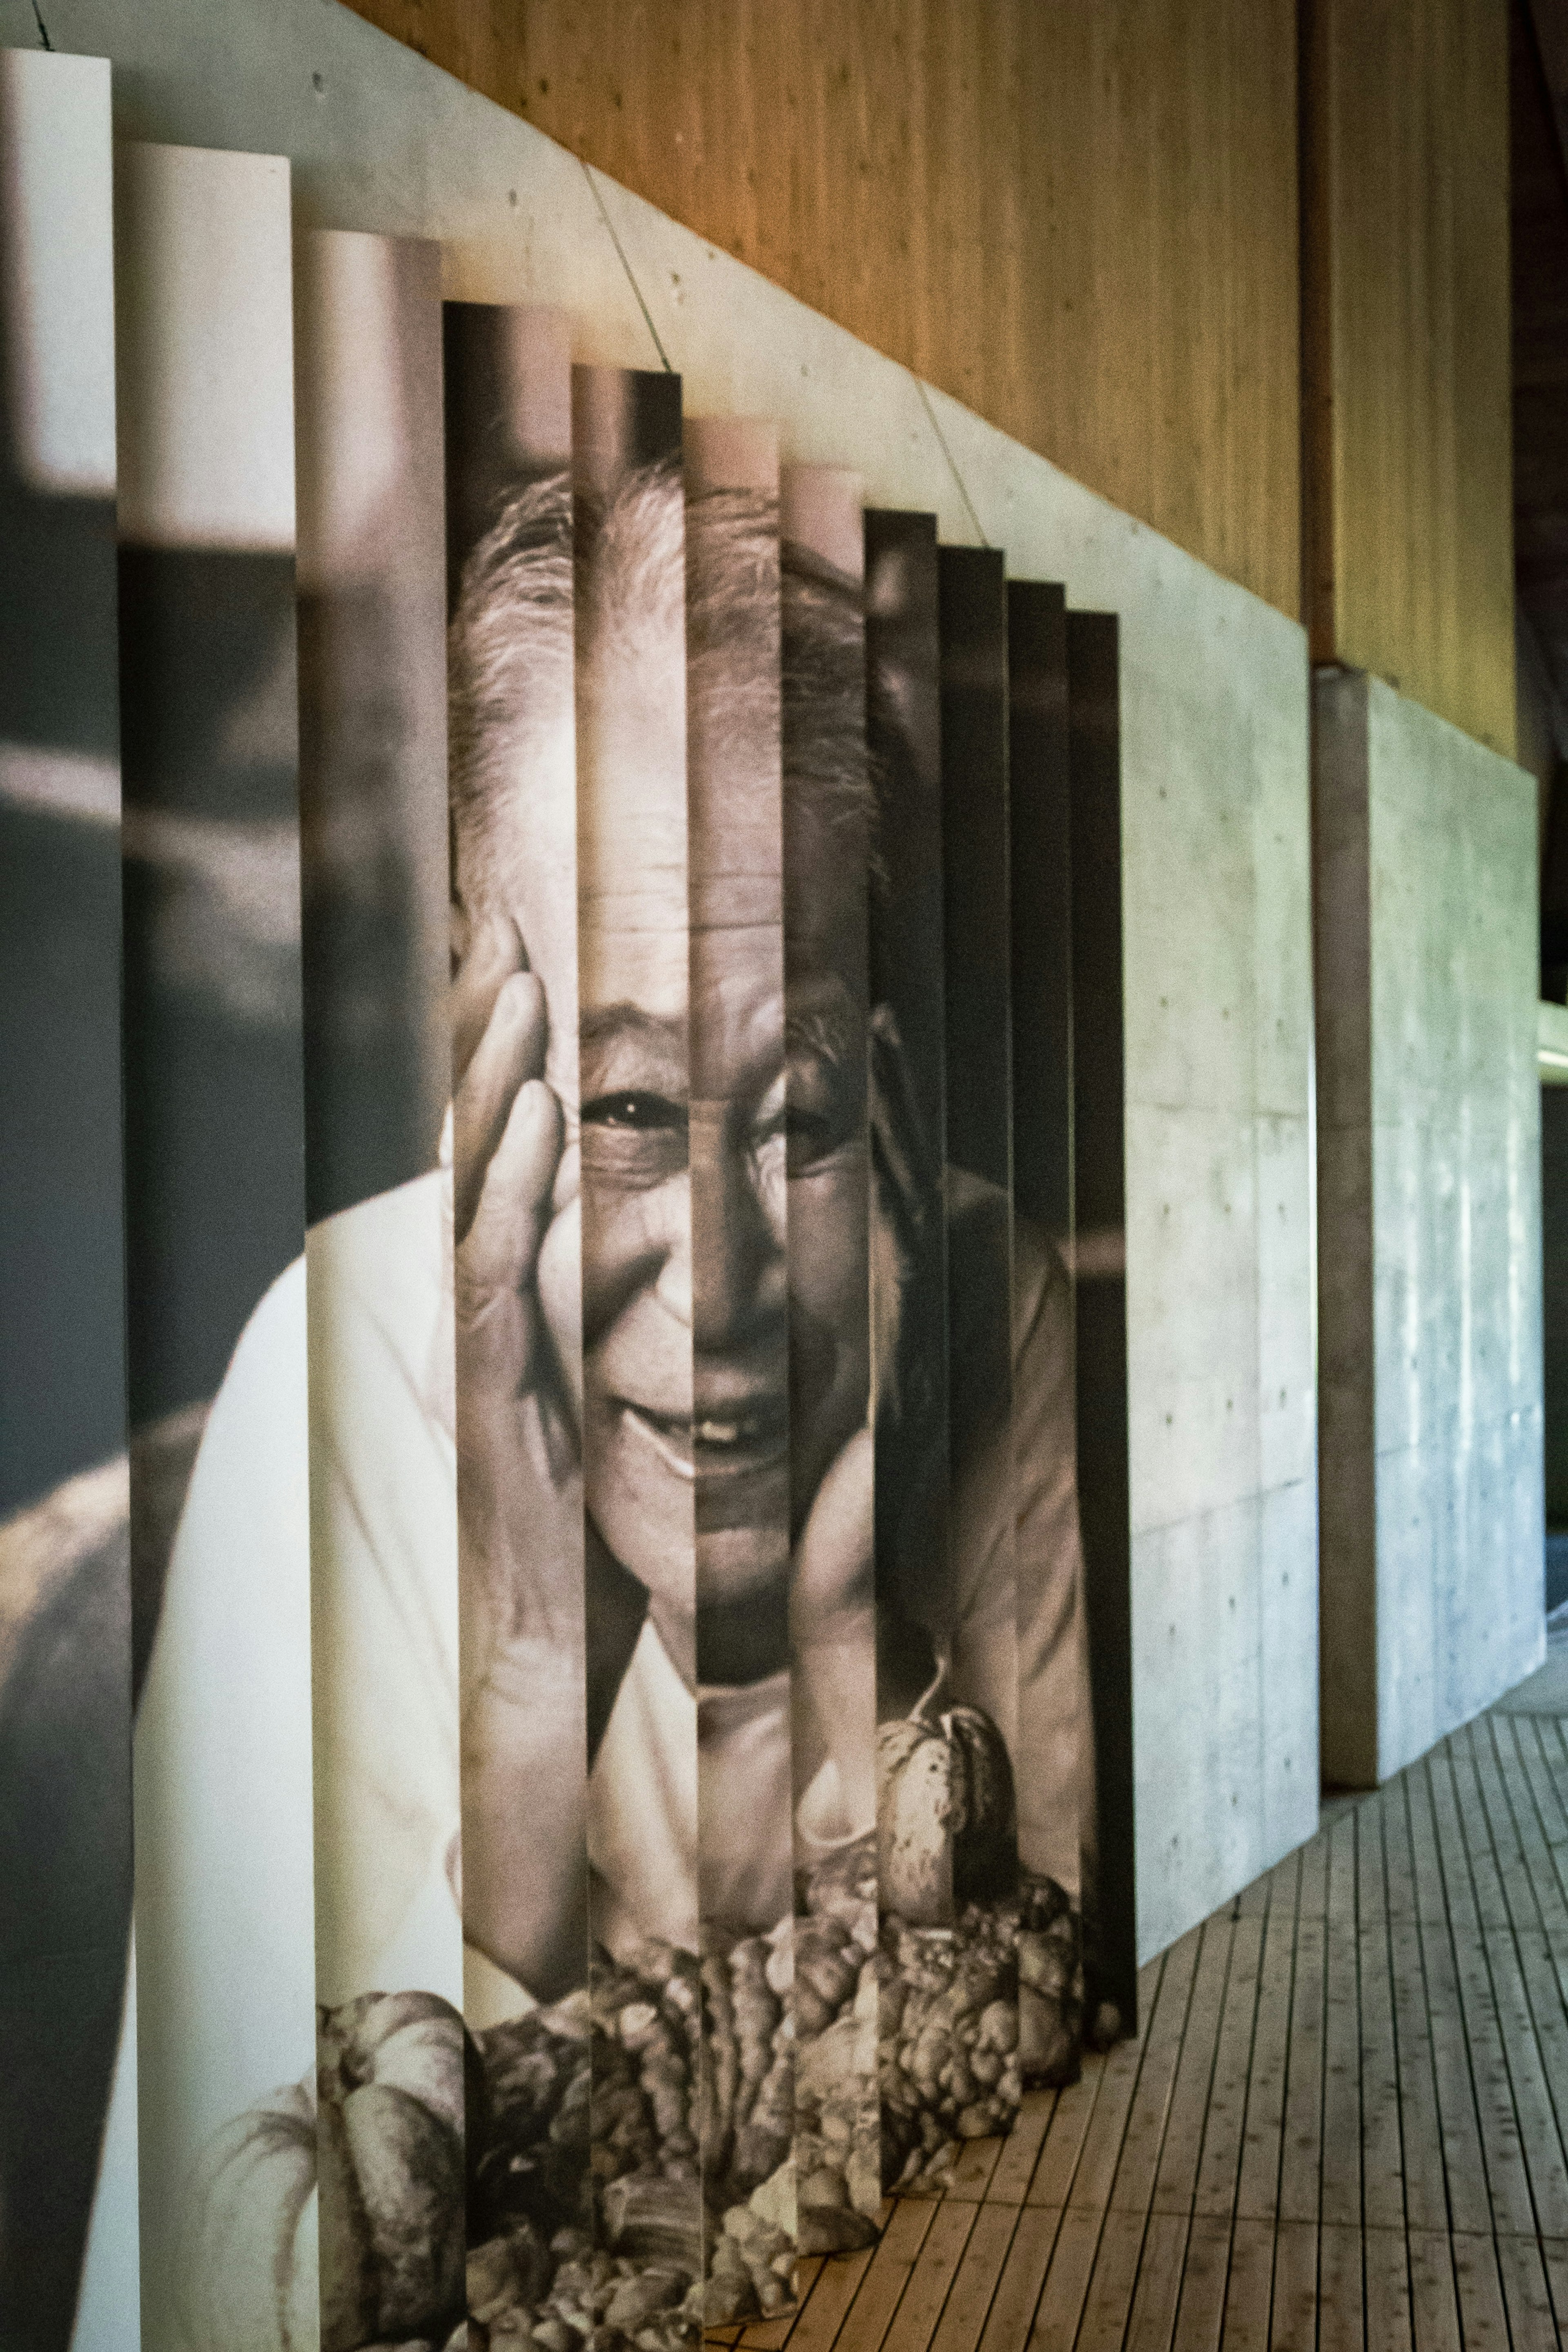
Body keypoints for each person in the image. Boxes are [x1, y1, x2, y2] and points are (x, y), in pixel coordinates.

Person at [134, 459, 1095, 2049]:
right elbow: (282, 2257)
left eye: (800, 1117)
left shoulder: (983, 1296)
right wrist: (528, 1695)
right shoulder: (334, 1368)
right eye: (633, 1105)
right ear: (475, 990)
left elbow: (1040, 2062)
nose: (719, 1293)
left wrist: (860, 1658)